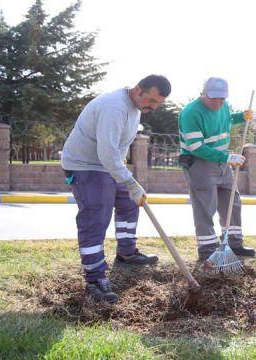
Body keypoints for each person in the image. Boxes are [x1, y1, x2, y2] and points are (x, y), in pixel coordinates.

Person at [61, 74, 171, 304]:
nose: (152, 106)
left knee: (130, 202)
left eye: (157, 103)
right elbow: (107, 153)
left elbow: (115, 153)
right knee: (96, 217)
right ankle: (95, 278)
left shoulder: (136, 107)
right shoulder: (114, 107)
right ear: (138, 88)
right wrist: (131, 182)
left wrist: (127, 184)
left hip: (106, 166)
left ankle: (126, 252)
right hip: (86, 166)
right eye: (150, 99)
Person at [178, 77, 256, 266]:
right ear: (204, 93)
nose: (219, 102)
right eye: (214, 98)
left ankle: (234, 242)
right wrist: (227, 158)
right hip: (200, 162)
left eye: (222, 99)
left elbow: (227, 119)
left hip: (221, 162)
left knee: (232, 200)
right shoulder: (191, 113)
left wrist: (241, 117)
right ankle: (207, 248)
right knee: (206, 205)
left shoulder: (224, 105)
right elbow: (196, 147)